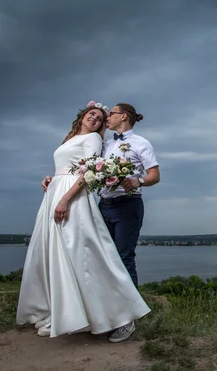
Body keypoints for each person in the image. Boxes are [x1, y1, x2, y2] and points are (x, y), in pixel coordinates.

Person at [16, 101, 151, 340]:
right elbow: (67, 167)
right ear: (81, 116)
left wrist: (65, 199)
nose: (97, 120)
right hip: (57, 192)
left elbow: (88, 172)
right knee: (59, 255)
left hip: (72, 196)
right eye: (93, 115)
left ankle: (122, 315)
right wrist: (51, 178)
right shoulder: (72, 138)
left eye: (101, 118)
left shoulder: (95, 140)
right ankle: (64, 313)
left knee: (90, 255)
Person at [97, 102, 160, 342]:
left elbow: (155, 175)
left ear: (123, 116)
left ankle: (127, 319)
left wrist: (138, 181)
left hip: (128, 205)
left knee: (124, 258)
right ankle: (107, 314)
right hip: (104, 205)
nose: (107, 117)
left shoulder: (141, 143)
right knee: (102, 258)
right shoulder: (106, 143)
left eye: (110, 113)